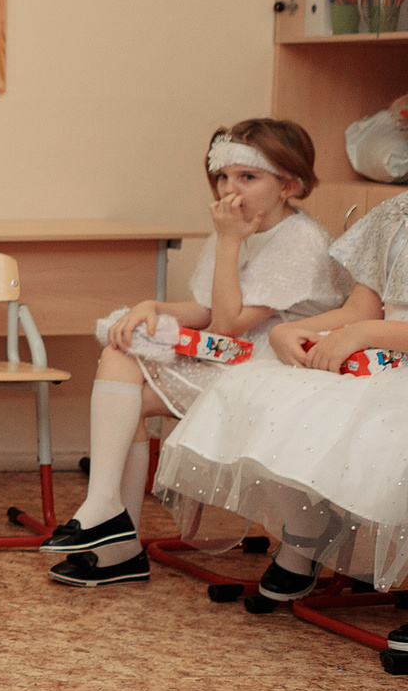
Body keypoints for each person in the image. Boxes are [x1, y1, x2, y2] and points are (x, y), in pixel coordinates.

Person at [39, 120, 344, 588]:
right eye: (223, 177)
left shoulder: (301, 240)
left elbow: (228, 322)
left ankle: (112, 532)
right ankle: (107, 517)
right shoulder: (238, 229)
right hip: (234, 355)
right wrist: (153, 307)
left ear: (289, 185)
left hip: (277, 366)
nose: (229, 190)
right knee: (121, 354)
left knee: (130, 399)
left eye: (247, 177)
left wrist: (229, 241)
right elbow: (205, 310)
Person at [158, 189, 408, 628]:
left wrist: (366, 333)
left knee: (384, 429)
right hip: (381, 360)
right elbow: (360, 308)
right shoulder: (396, 212)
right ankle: (306, 528)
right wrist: (290, 331)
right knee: (262, 392)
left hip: (391, 360)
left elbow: (365, 324)